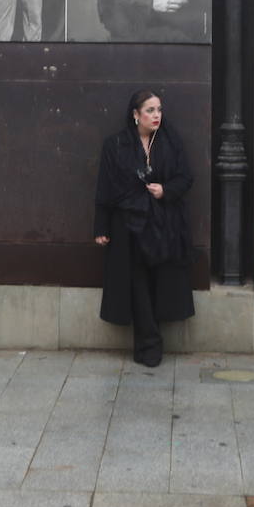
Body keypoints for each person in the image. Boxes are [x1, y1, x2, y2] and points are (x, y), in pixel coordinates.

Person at [93, 88, 194, 368]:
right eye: (150, 110)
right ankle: (149, 344)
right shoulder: (116, 145)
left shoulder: (170, 142)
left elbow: (185, 177)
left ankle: (149, 342)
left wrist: (165, 190)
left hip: (163, 225)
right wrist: (101, 226)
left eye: (159, 109)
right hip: (128, 225)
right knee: (136, 282)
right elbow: (105, 187)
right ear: (136, 114)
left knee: (158, 280)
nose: (156, 115)